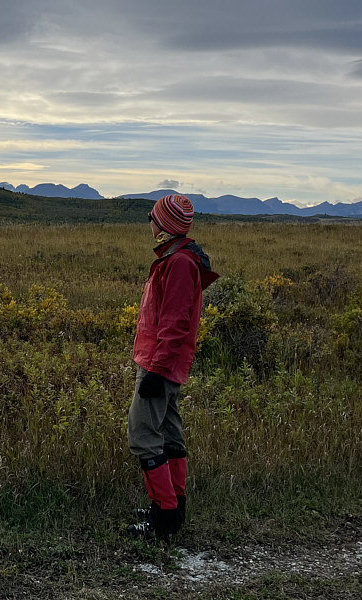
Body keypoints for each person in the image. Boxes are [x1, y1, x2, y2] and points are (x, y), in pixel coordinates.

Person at [127, 194, 219, 540]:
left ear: (164, 224)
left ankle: (164, 515)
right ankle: (173, 507)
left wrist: (155, 370)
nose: (149, 221)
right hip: (163, 361)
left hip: (160, 364)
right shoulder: (174, 258)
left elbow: (177, 322)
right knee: (168, 433)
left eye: (152, 216)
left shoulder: (178, 263)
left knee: (142, 436)